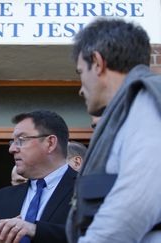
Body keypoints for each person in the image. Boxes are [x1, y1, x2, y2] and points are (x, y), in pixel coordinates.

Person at [67, 18, 161, 243]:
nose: (81, 89)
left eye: (81, 72)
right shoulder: (129, 109)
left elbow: (136, 202)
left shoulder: (147, 99)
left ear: (98, 63)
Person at [0, 110, 77, 243]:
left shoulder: (87, 190)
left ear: (50, 143)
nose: (12, 149)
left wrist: (35, 230)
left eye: (21, 140)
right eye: (13, 142)